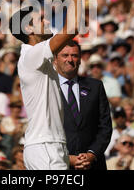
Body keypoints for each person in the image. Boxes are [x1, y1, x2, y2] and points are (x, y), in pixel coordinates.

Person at [10, 0, 89, 170]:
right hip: (45, 147)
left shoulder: (38, 56)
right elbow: (72, 28)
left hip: (52, 146)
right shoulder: (31, 54)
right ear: (28, 28)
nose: (46, 21)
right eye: (40, 19)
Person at [53, 41, 112, 170]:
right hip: (60, 165)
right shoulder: (48, 88)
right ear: (55, 59)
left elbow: (105, 126)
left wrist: (92, 154)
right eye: (65, 55)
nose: (70, 59)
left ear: (80, 60)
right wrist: (67, 158)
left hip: (93, 165)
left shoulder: (96, 86)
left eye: (74, 55)